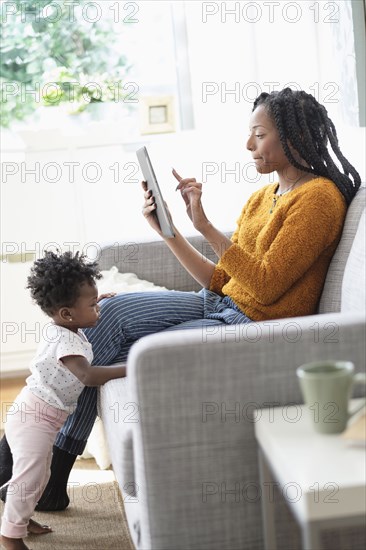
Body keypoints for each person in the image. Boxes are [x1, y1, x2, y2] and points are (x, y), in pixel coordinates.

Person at [0, 88, 361, 514]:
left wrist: (204, 224)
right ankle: (25, 461)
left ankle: (44, 474)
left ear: (293, 138)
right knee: (105, 315)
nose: (248, 145)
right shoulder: (263, 197)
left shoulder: (318, 199)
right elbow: (222, 279)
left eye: (258, 135)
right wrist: (169, 231)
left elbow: (263, 287)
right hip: (217, 303)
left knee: (127, 346)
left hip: (249, 325)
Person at [0, 251, 126, 550]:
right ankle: (9, 536)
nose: (99, 309)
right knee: (31, 478)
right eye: (93, 305)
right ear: (67, 313)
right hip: (34, 418)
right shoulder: (66, 342)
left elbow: (81, 313)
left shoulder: (67, 325)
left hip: (41, 417)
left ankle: (19, 515)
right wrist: (133, 365)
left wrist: (96, 301)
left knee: (41, 475)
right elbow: (89, 376)